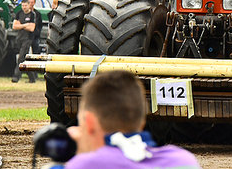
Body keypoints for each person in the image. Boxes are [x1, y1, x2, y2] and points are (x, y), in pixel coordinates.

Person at [66, 70, 201, 169]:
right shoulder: (184, 160)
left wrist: (77, 154)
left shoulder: (85, 165)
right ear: (142, 121)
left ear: (89, 122)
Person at [12, 0, 37, 83]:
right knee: (24, 59)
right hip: (19, 38)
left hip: (28, 39)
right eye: (22, 5)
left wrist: (21, 25)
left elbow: (32, 28)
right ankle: (32, 77)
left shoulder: (32, 15)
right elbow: (14, 26)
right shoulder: (19, 13)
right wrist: (26, 25)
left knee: (20, 58)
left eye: (25, 5)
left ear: (29, 5)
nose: (24, 7)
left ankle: (16, 76)